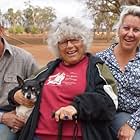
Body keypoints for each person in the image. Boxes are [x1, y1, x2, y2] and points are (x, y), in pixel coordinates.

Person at [8, 17, 118, 140]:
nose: (69, 46)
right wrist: (14, 95)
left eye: (74, 40)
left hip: (79, 136)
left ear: (84, 41)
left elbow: (109, 101)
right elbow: (24, 86)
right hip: (38, 136)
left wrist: (76, 107)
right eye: (63, 42)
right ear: (57, 46)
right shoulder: (49, 69)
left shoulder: (96, 67)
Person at [96, 5, 140, 140]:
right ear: (119, 29)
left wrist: (132, 123)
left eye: (136, 30)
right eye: (126, 28)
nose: (130, 34)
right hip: (116, 115)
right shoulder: (101, 59)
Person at [0, 25, 39, 140]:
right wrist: (2, 117)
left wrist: (25, 115)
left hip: (16, 113)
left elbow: (40, 87)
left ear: (1, 31)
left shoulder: (24, 59)